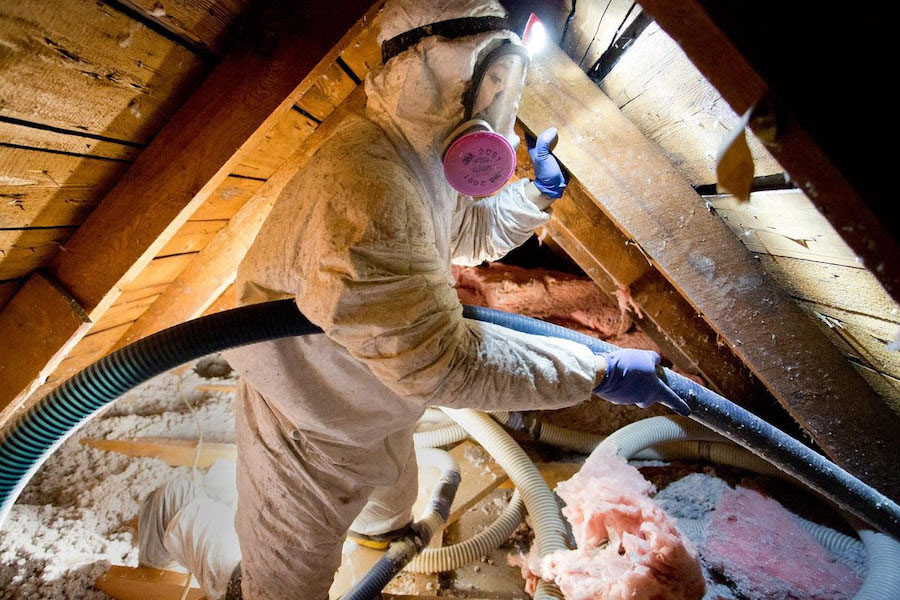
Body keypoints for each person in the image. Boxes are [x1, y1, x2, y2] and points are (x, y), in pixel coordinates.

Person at [138, 1, 687, 598]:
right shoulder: (365, 188)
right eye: (490, 81)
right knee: (278, 590)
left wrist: (534, 196)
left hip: (374, 395)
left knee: (386, 517)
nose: (498, 102)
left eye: (507, 83)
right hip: (306, 420)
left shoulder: (416, 158)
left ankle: (375, 545)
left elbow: (466, 233)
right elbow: (443, 363)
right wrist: (596, 370)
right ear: (429, 75)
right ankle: (179, 513)